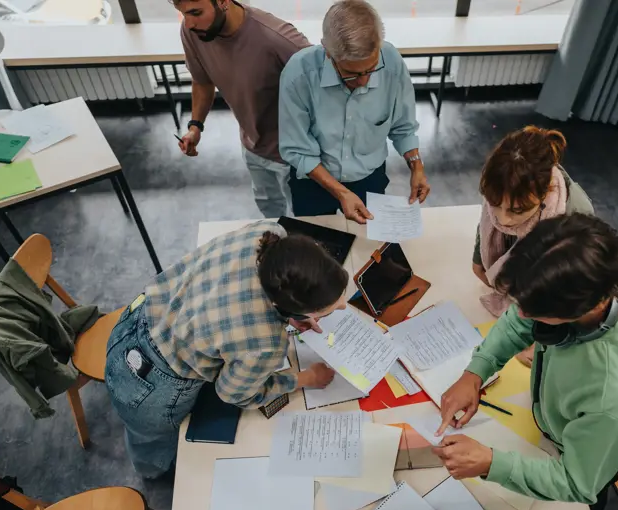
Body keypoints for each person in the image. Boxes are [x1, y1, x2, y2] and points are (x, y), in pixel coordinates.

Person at [432, 214, 618, 510]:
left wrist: (490, 463)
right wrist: (476, 370)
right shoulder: (595, 261)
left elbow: (578, 482)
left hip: (585, 452)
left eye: (535, 313)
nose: (518, 314)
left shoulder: (617, 398)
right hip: (553, 414)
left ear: (584, 309)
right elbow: (522, 316)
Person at [105, 222, 345, 478]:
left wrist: (291, 313)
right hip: (153, 384)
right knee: (153, 444)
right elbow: (234, 394)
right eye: (325, 309)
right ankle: (154, 475)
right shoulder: (266, 344)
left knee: (140, 430)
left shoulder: (267, 236)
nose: (342, 305)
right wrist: (306, 378)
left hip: (138, 318)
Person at [278, 0, 429, 223]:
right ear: (328, 54)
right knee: (316, 247)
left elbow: (403, 127)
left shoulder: (392, 63)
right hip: (314, 181)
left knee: (370, 248)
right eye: (351, 73)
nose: (364, 81)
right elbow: (298, 150)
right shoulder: (299, 74)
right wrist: (342, 193)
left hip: (370, 177)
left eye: (371, 69)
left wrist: (417, 167)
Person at [174, 0, 309, 217]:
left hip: (295, 156)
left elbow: (327, 88)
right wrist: (195, 126)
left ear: (223, 2)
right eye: (182, 14)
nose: (188, 23)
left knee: (305, 221)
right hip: (252, 145)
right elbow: (202, 81)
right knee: (269, 210)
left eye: (196, 13)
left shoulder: (278, 39)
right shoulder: (194, 32)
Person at [472, 126, 594, 366]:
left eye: (517, 211)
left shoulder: (575, 218)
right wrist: (480, 259)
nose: (503, 219)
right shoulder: (503, 186)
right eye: (495, 205)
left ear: (544, 194)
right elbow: (482, 246)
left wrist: (534, 336)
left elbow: (573, 297)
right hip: (514, 297)